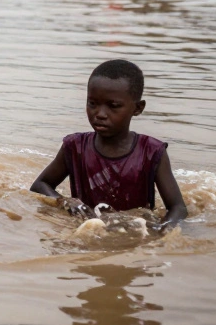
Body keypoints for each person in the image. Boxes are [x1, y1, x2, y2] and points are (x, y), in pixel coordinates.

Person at [30, 59, 186, 231]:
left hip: (135, 234)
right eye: (92, 103)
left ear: (138, 108)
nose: (100, 114)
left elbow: (178, 208)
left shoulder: (151, 152)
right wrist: (64, 201)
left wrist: (163, 230)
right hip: (88, 231)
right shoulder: (75, 147)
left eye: (113, 106)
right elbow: (40, 185)